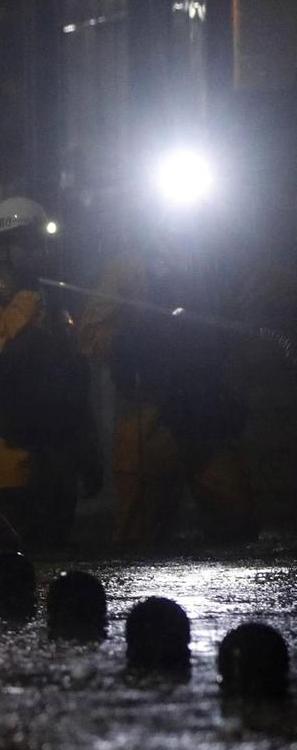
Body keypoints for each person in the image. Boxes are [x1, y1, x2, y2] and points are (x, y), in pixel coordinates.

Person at [78, 209, 260, 546]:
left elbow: (234, 329)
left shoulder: (209, 265)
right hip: (149, 413)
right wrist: (131, 338)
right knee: (141, 535)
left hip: (207, 411)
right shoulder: (128, 267)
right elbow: (90, 337)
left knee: (237, 521)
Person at [0, 197, 98, 547]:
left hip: (58, 462)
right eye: (27, 243)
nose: (39, 252)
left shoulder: (56, 308)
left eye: (41, 242)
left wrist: (88, 451)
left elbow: (76, 380)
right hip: (9, 464)